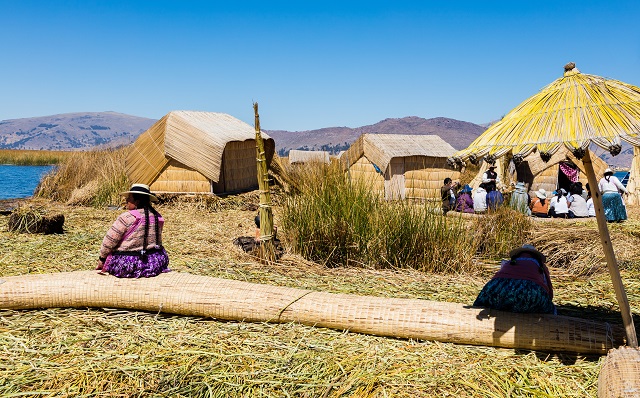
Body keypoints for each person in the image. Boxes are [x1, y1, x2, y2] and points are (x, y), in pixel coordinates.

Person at [96, 184, 170, 278]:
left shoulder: (127, 217)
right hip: (155, 263)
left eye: (129, 198)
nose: (126, 201)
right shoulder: (157, 217)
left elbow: (109, 241)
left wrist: (102, 259)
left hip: (129, 265)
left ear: (137, 201)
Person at [473, 244, 555, 314]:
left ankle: (475, 312)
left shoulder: (510, 262)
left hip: (500, 288)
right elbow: (549, 290)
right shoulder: (541, 266)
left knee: (484, 301)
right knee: (550, 310)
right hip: (530, 292)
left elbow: (499, 277)